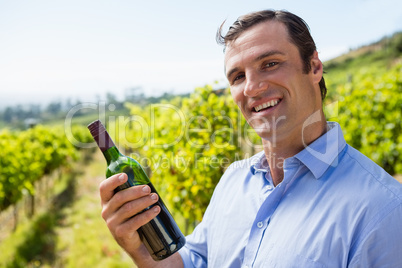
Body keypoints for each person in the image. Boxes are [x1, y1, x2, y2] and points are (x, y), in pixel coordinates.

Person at [99, 10, 402, 267]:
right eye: (238, 77)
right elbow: (195, 261)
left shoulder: (383, 210)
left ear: (314, 67)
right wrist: (138, 247)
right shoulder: (234, 179)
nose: (252, 88)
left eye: (270, 64)